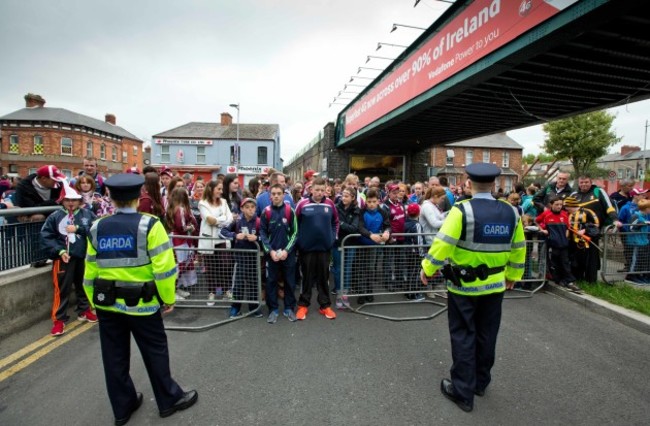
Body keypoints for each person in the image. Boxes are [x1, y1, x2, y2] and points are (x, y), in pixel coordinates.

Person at [83, 173, 197, 425]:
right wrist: (168, 298)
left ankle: (123, 408)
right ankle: (168, 400)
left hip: (107, 304)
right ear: (138, 196)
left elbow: (90, 270)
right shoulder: (150, 225)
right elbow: (165, 269)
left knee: (114, 358)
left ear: (110, 197)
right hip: (142, 305)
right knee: (155, 351)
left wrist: (93, 302)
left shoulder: (97, 226)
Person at [420, 162, 525, 413]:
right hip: (495, 286)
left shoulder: (461, 211)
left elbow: (442, 243)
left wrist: (428, 267)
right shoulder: (511, 212)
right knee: (487, 334)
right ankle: (480, 382)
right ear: (495, 184)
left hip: (464, 288)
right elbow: (519, 247)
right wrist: (513, 274)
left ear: (469, 183)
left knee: (464, 335)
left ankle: (463, 391)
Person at [41, 183, 97, 335]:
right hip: (63, 259)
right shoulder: (55, 216)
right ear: (62, 201)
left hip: (83, 257)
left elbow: (96, 231)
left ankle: (84, 310)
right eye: (67, 200)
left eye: (74, 200)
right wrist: (59, 251)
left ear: (79, 201)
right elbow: (46, 236)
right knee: (62, 289)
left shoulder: (87, 214)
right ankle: (59, 319)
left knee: (84, 285)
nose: (71, 203)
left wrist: (78, 229)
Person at [295, 177, 339, 320]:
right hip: (306, 248)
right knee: (306, 277)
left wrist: (332, 238)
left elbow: (335, 222)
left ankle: (325, 306)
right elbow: (295, 224)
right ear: (311, 189)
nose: (319, 193)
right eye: (317, 190)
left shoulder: (330, 204)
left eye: (322, 190)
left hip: (324, 248)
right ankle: (303, 305)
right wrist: (300, 242)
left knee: (323, 277)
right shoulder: (302, 204)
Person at [259, 184, 299, 323]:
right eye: (274, 193)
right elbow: (262, 233)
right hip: (272, 255)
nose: (276, 196)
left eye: (279, 193)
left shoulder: (290, 211)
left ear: (283, 195)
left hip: (287, 254)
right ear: (270, 195)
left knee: (290, 282)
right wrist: (270, 251)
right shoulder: (266, 212)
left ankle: (289, 308)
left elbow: (295, 233)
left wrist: (287, 251)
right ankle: (273, 310)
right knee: (271, 282)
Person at [220, 197, 264, 318]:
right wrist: (235, 235)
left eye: (252, 207)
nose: (250, 209)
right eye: (247, 207)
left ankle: (254, 308)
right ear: (242, 209)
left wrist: (257, 238)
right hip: (240, 258)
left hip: (254, 258)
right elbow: (222, 231)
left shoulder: (259, 221)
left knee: (254, 284)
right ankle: (235, 307)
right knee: (238, 284)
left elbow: (266, 237)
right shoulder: (238, 221)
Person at [198, 179, 233, 304]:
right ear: (211, 189)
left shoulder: (223, 202)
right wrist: (222, 219)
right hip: (209, 239)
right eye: (219, 189)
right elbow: (209, 220)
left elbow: (230, 219)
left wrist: (220, 220)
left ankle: (226, 291)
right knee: (211, 267)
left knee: (225, 266)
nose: (221, 191)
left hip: (222, 240)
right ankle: (211, 292)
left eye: (221, 189)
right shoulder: (203, 203)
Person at [536, 196, 580, 292]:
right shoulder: (546, 214)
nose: (559, 206)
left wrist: (566, 237)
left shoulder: (564, 215)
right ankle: (558, 280)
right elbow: (536, 221)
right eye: (557, 204)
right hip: (552, 244)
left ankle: (569, 281)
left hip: (563, 244)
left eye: (561, 204)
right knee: (554, 264)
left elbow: (568, 228)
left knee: (565, 263)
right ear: (551, 205)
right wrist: (542, 229)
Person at [357, 188, 391, 304]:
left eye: (374, 201)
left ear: (378, 201)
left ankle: (369, 292)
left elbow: (387, 225)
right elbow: (360, 227)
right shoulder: (362, 212)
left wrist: (387, 232)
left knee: (370, 269)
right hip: (362, 244)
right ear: (366, 201)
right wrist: (370, 235)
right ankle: (361, 293)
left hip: (374, 246)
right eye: (369, 202)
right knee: (361, 269)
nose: (371, 204)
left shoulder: (383, 212)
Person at [165, 187, 199, 300]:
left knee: (179, 266)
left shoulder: (172, 208)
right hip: (179, 241)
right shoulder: (180, 209)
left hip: (176, 240)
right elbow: (181, 227)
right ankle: (172, 291)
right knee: (178, 266)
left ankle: (176, 288)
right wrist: (191, 227)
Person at [333, 186, 360, 309]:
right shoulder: (335, 207)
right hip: (337, 243)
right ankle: (339, 294)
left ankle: (345, 295)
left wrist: (341, 224)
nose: (343, 198)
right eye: (343, 195)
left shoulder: (356, 210)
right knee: (338, 269)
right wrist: (342, 225)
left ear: (353, 197)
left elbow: (354, 228)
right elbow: (333, 223)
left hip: (350, 243)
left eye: (347, 196)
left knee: (347, 269)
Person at [564, 195, 600, 284]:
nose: (565, 209)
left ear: (570, 205)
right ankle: (577, 278)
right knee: (576, 261)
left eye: (566, 206)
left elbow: (596, 224)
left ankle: (590, 281)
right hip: (574, 242)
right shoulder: (569, 215)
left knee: (589, 262)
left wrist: (585, 230)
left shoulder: (587, 212)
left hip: (588, 242)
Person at [624, 198, 650, 284]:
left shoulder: (644, 216)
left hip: (642, 241)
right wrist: (643, 223)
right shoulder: (636, 216)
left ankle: (638, 275)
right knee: (634, 259)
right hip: (635, 241)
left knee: (640, 260)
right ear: (646, 209)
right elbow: (631, 228)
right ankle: (631, 275)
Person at [403, 203, 426, 300]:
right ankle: (412, 294)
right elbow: (419, 240)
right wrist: (422, 253)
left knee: (409, 271)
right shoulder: (417, 225)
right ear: (418, 213)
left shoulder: (405, 223)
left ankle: (408, 291)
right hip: (415, 253)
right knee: (414, 272)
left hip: (408, 251)